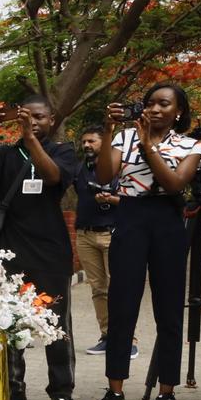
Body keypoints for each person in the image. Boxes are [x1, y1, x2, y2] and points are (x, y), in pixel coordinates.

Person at [92, 82, 201, 400]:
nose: (155, 109)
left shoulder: (191, 145)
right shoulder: (123, 138)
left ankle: (167, 393)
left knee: (169, 309)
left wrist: (147, 147)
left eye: (164, 104)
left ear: (178, 112)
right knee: (122, 304)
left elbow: (174, 184)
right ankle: (115, 392)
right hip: (130, 217)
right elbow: (104, 175)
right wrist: (110, 132)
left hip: (168, 220)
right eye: (150, 103)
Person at [0, 95, 79, 400]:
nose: (33, 121)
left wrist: (31, 140)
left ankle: (61, 391)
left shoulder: (63, 151)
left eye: (40, 117)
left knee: (56, 325)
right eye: (27, 116)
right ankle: (13, 386)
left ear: (52, 119)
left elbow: (54, 177)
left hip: (50, 252)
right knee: (9, 322)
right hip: (10, 252)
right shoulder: (6, 153)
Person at [72, 125, 128, 356]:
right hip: (85, 235)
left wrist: (112, 199)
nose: (87, 145)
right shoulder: (79, 169)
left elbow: (136, 204)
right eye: (84, 141)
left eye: (92, 141)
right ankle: (106, 336)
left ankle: (126, 339)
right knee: (98, 289)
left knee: (120, 288)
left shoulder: (120, 169)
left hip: (112, 233)